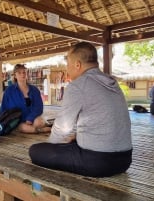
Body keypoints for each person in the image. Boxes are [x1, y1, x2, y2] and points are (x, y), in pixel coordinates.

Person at [29, 42, 132, 177]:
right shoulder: (112, 82)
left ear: (77, 65)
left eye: (68, 64)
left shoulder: (78, 85)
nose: (67, 69)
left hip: (99, 162)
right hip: (124, 160)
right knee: (72, 141)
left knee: (35, 151)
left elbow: (62, 128)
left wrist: (52, 149)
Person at [0, 64, 51, 134]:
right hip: (19, 121)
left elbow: (39, 107)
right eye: (19, 73)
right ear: (15, 75)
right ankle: (42, 130)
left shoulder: (34, 90)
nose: (22, 74)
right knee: (23, 127)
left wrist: (30, 118)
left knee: (38, 122)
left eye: (24, 72)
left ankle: (36, 128)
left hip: (33, 118)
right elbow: (3, 107)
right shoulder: (9, 91)